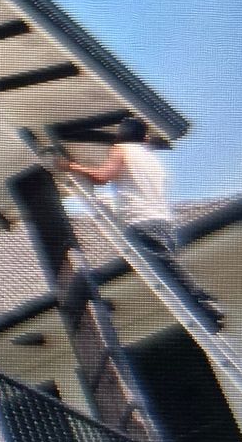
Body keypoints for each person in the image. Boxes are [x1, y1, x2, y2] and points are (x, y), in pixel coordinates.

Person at [57, 119, 227, 330]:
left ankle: (206, 305)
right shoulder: (151, 158)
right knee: (165, 270)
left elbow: (102, 177)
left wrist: (70, 166)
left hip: (141, 222)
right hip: (163, 222)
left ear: (120, 136)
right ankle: (205, 310)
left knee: (169, 272)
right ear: (145, 137)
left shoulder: (122, 149)